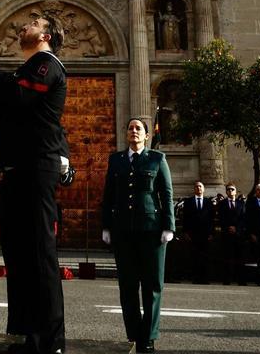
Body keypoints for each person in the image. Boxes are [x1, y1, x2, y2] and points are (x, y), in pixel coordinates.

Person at [0, 14, 68, 354]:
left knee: (39, 255)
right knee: (16, 255)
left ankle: (49, 339)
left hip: (36, 167)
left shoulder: (47, 64)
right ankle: (23, 332)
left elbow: (18, 97)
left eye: (33, 22)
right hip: (16, 168)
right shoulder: (23, 71)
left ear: (46, 35)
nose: (24, 25)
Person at [101, 116, 174, 354]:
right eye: (130, 128)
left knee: (152, 285)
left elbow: (166, 194)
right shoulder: (116, 160)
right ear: (126, 134)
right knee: (128, 285)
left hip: (152, 231)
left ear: (146, 135)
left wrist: (168, 227)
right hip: (123, 231)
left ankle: (149, 336)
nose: (134, 131)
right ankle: (133, 332)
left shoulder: (157, 159)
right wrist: (106, 226)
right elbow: (109, 196)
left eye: (138, 128)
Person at [179, 181, 214, 284]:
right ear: (194, 189)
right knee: (194, 256)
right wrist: (185, 232)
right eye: (196, 187)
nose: (198, 188)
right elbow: (185, 218)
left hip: (205, 234)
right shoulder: (188, 202)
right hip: (193, 234)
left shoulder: (208, 202)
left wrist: (211, 233)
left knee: (205, 257)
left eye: (200, 186)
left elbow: (211, 219)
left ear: (203, 189)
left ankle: (205, 278)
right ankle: (195, 278)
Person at [216, 183, 246, 285]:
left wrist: (236, 228)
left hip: (238, 235)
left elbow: (243, 218)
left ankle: (241, 280)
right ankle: (227, 279)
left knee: (240, 258)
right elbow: (221, 218)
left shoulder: (241, 204)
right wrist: (228, 227)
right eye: (228, 189)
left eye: (232, 189)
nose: (230, 191)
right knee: (227, 258)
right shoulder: (221, 204)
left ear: (236, 191)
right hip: (226, 234)